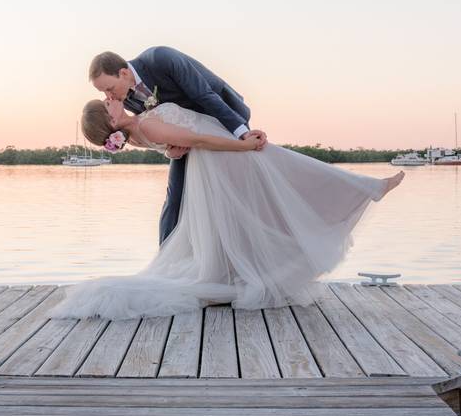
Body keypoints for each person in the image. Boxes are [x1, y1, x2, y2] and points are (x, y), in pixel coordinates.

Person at [48, 97, 404, 320]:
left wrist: (175, 149)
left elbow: (177, 147)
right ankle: (364, 189)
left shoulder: (141, 127)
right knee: (281, 168)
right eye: (106, 102)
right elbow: (199, 139)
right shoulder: (146, 124)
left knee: (260, 200)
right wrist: (241, 147)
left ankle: (356, 192)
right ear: (110, 121)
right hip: (221, 156)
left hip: (213, 163)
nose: (111, 98)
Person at [89, 47, 266, 246]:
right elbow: (155, 130)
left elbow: (204, 95)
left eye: (109, 88)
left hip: (221, 119)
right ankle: (166, 260)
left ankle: (254, 246)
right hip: (189, 140)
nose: (108, 96)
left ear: (123, 73)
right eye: (103, 92)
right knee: (175, 197)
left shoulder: (160, 59)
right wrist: (169, 150)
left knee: (238, 191)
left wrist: (242, 134)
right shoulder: (125, 100)